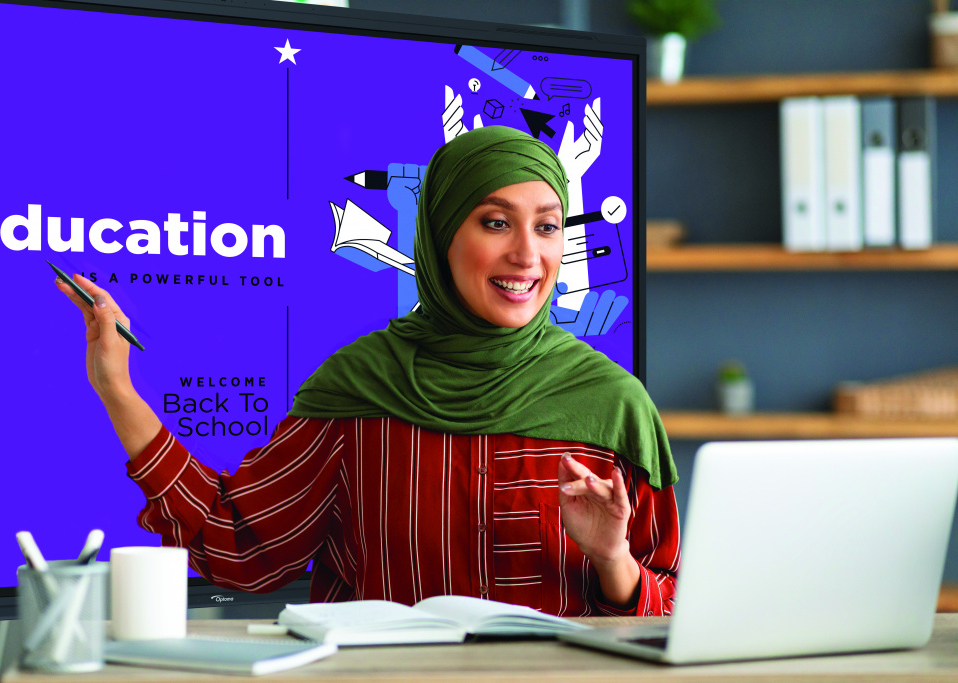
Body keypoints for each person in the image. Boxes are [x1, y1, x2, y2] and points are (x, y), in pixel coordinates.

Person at [56, 125, 680, 616]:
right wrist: (116, 388)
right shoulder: (362, 384)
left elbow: (675, 603)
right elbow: (240, 550)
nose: (527, 254)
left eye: (547, 227)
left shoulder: (611, 403)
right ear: (438, 237)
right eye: (495, 222)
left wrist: (612, 557)